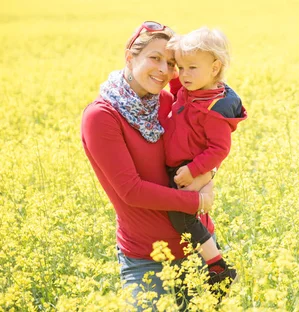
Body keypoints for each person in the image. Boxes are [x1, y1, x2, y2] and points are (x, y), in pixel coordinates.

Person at [80, 21, 230, 309]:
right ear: (130, 56)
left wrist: (209, 173)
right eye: (154, 58)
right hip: (146, 261)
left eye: (171, 63)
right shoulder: (101, 116)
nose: (164, 70)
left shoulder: (170, 101)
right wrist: (197, 200)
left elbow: (207, 147)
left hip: (198, 249)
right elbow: (132, 191)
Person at [163, 26, 246, 298]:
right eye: (181, 67)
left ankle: (218, 265)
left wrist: (194, 171)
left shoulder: (214, 108)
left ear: (215, 68)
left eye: (192, 68)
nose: (183, 74)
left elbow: (219, 149)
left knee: (180, 215)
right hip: (182, 168)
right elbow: (176, 83)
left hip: (189, 168)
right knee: (183, 216)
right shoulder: (192, 88)